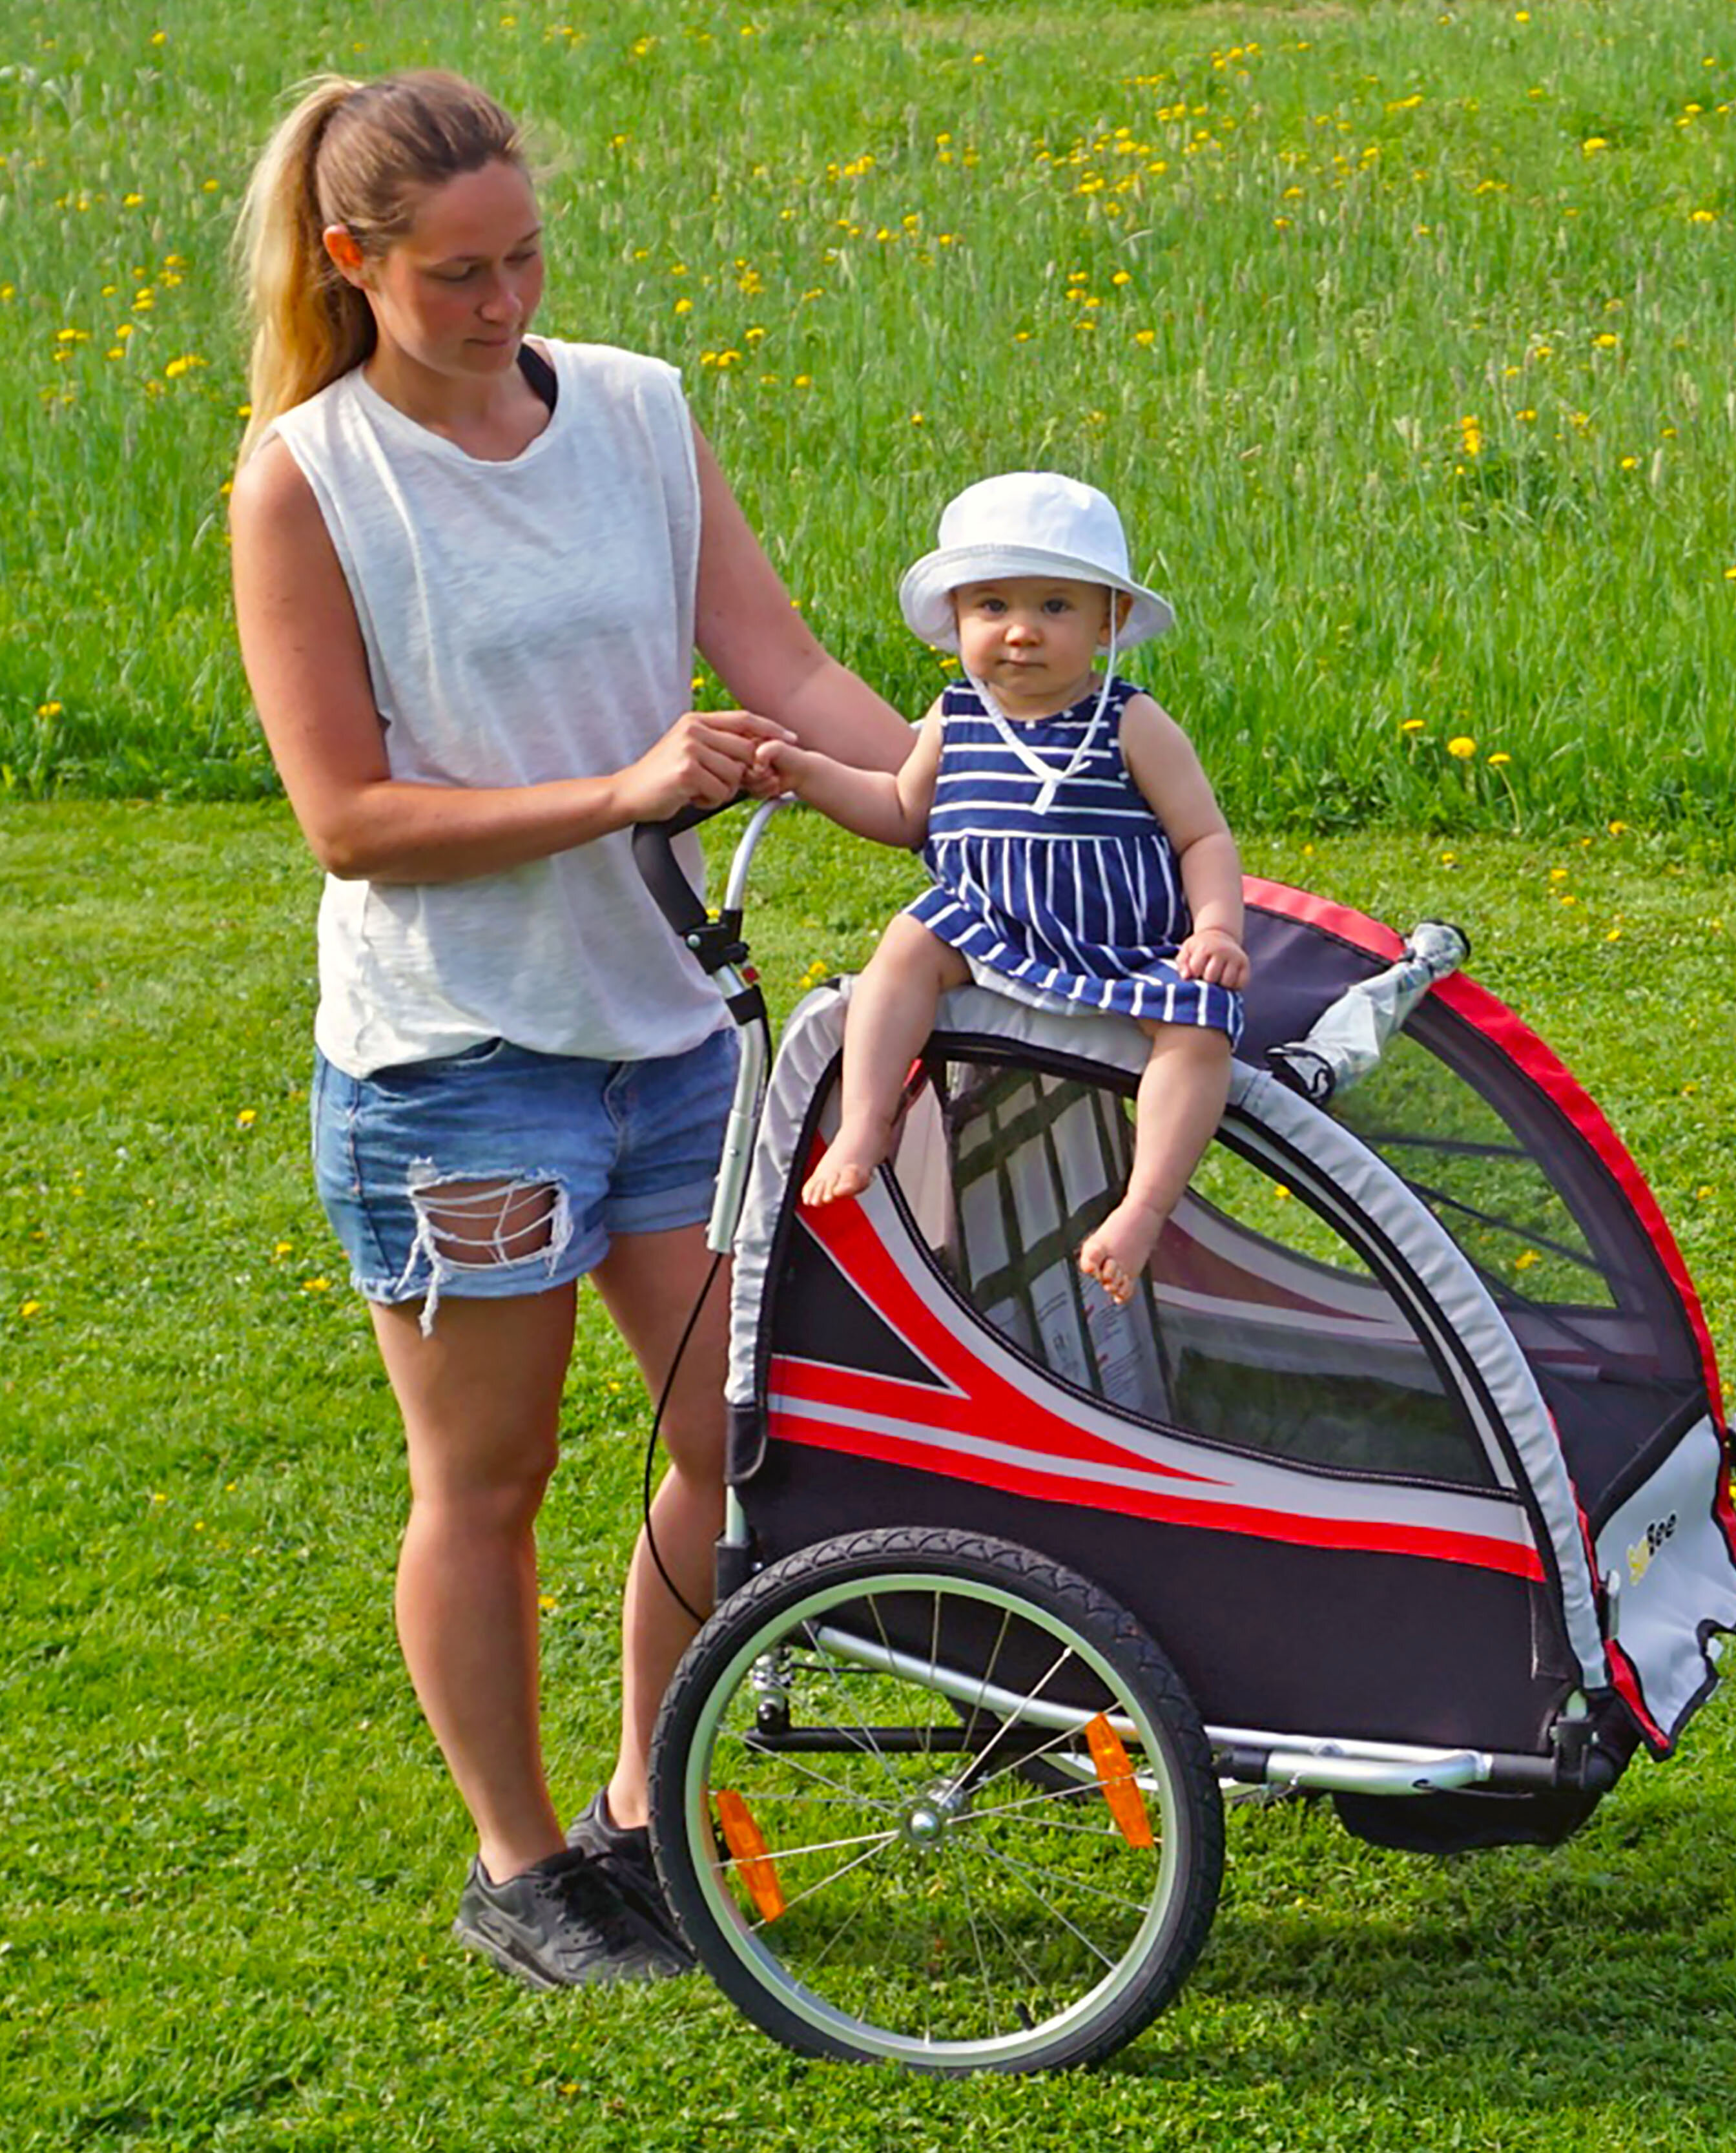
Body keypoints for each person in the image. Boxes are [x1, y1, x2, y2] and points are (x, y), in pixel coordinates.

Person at [226, 70, 912, 1988]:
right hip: (458, 1058)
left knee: (735, 1433)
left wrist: (950, 780)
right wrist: (617, 791)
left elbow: (772, 659)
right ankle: (519, 1864)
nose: (504, 300)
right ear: (353, 264)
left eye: (525, 256)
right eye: (455, 275)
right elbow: (347, 819)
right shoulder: (310, 480)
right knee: (492, 1480)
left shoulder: (631, 407)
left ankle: (638, 1801)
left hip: (662, 1031)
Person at [755, 470, 1247, 1302]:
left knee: (1199, 1032)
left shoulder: (1131, 721)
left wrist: (1216, 929)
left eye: (1054, 607)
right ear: (955, 620)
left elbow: (1203, 836)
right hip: (986, 923)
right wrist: (809, 773)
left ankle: (1143, 1206)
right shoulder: (955, 715)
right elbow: (903, 810)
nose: (1020, 633)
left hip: (1116, 942)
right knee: (904, 949)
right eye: (992, 607)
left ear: (1108, 621)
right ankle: (868, 1122)